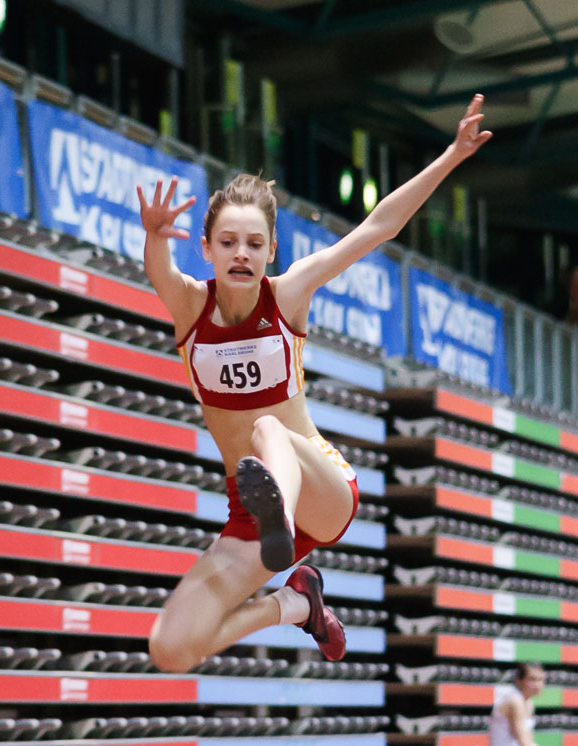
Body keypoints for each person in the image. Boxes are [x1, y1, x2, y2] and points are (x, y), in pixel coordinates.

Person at [137, 95, 492, 674]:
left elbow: (378, 227)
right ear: (206, 250)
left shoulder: (289, 294)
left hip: (320, 487)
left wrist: (451, 156)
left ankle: (279, 508)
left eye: (255, 244)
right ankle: (295, 604)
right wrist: (154, 235)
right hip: (250, 513)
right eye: (228, 243)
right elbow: (159, 270)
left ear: (272, 250)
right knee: (170, 649)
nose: (242, 254)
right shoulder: (190, 306)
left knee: (267, 427)